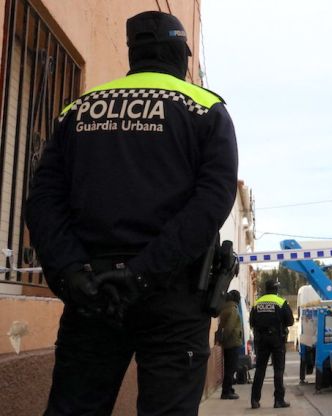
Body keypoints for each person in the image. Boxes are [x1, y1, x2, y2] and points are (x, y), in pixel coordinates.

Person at [24, 10, 238, 416]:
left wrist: (71, 273)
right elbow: (211, 204)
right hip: (173, 295)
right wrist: (142, 273)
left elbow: (43, 201)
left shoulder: (77, 111)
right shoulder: (205, 110)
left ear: (132, 54)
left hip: (91, 294)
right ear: (182, 55)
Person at [249, 280, 294, 409]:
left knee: (260, 370)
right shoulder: (281, 302)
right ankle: (278, 400)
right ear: (276, 289)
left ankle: (254, 400)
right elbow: (290, 321)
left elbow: (251, 321)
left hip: (261, 339)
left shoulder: (257, 303)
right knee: (278, 370)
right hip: (277, 339)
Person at [218, 290, 243, 400]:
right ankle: (226, 391)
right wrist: (225, 338)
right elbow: (229, 327)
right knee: (231, 368)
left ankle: (228, 388)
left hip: (228, 343)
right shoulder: (233, 309)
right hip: (232, 342)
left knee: (229, 367)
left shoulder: (225, 308)